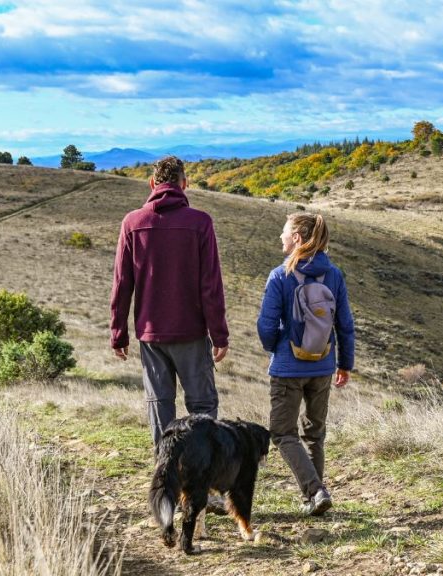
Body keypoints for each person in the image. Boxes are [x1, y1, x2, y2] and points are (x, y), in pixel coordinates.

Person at [110, 156, 229, 448]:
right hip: (191, 333)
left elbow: (122, 284)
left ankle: (166, 484)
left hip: (150, 335)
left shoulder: (132, 223)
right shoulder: (200, 222)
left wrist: (118, 333)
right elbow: (210, 285)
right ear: (184, 184)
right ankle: (202, 481)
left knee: (160, 408)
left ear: (152, 184)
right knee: (202, 408)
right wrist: (219, 334)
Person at [257, 213, 355, 516]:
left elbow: (266, 325)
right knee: (315, 434)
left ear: (297, 238)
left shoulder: (280, 275)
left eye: (284, 233)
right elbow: (345, 325)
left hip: (288, 368)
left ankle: (315, 491)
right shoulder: (334, 274)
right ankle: (313, 497)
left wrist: (277, 348)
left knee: (283, 433)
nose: (281, 238)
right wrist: (344, 364)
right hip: (323, 365)